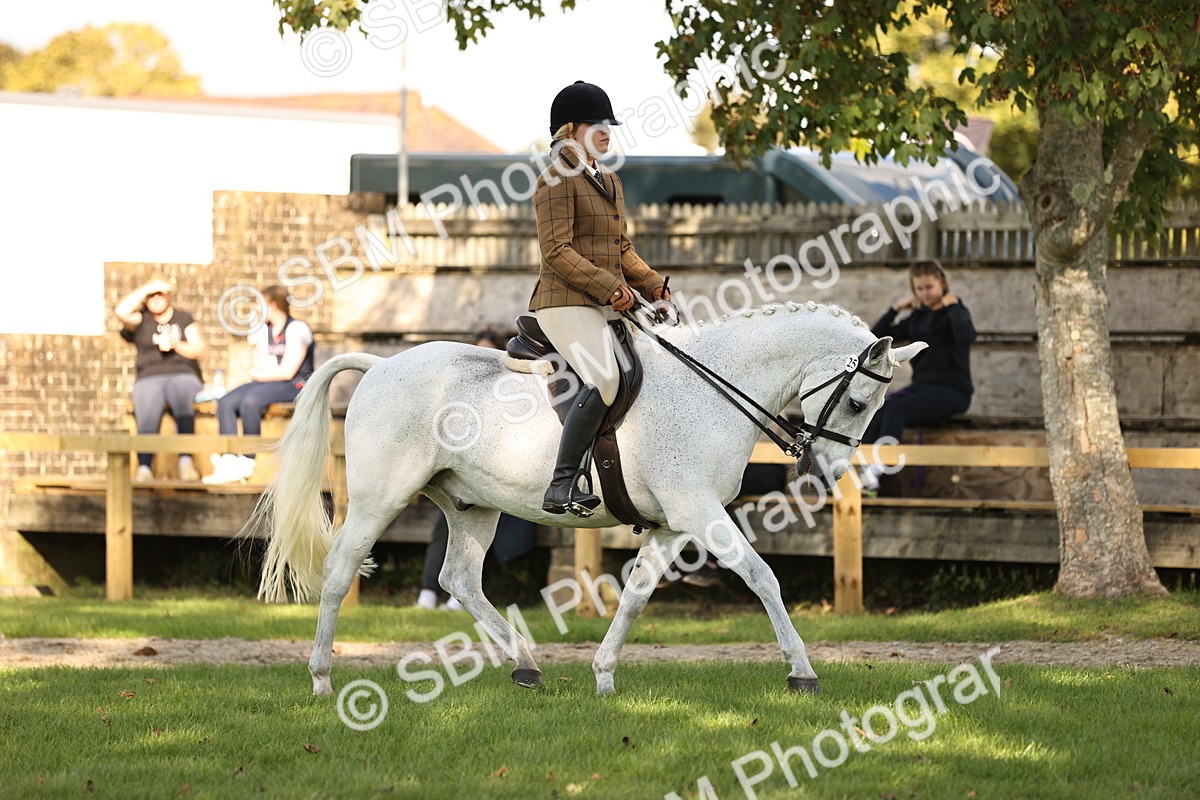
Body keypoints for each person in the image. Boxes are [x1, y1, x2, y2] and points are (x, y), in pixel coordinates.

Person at [530, 80, 671, 515]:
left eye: (609, 124)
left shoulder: (608, 179)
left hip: (599, 301)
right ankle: (561, 483)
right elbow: (556, 250)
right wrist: (610, 288)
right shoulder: (555, 178)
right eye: (597, 124)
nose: (607, 131)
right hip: (563, 301)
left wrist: (651, 284)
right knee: (606, 378)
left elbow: (620, 247)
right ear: (570, 129)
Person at [417, 328, 537, 610]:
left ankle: (460, 596)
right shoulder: (459, 401)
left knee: (483, 525)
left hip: (503, 480)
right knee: (444, 523)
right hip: (462, 476)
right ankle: (427, 593)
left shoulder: (514, 394)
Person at [860, 259, 976, 493]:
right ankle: (867, 469)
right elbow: (876, 336)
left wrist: (952, 307)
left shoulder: (957, 313)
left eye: (929, 287)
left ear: (942, 283)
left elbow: (967, 336)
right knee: (878, 405)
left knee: (897, 409)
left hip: (954, 391)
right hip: (922, 388)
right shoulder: (916, 319)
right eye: (919, 288)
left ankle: (877, 468)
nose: (924, 293)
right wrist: (895, 309)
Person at [204, 286, 315, 485]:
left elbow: (288, 371)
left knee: (251, 401)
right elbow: (262, 360)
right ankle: (229, 460)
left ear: (272, 306)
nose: (255, 311)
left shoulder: (297, 328)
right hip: (270, 380)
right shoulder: (265, 330)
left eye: (259, 306)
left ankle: (248, 461)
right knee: (227, 401)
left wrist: (260, 375)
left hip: (295, 383)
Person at [115, 274, 207, 482]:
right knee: (145, 404)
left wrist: (175, 345)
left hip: (182, 373)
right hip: (150, 375)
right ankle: (145, 466)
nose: (156, 298)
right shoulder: (141, 320)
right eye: (152, 295)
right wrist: (148, 286)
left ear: (169, 296)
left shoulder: (183, 318)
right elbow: (120, 311)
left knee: (183, 398)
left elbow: (200, 349)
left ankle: (186, 461)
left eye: (161, 293)